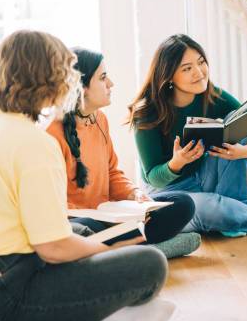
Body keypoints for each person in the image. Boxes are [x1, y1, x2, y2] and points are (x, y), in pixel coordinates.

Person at [0, 30, 175, 321]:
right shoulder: (35, 143)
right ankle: (93, 317)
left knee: (83, 233)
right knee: (150, 262)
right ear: (51, 78)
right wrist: (109, 248)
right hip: (4, 306)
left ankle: (102, 310)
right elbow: (53, 248)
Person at [127, 34, 247, 237]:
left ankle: (234, 216)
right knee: (205, 208)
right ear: (168, 76)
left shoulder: (214, 96)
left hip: (203, 178)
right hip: (166, 192)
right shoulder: (147, 113)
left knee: (236, 120)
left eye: (201, 62)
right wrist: (176, 163)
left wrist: (245, 151)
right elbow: (154, 178)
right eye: (187, 68)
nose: (199, 72)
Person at [46, 47, 200, 258]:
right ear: (81, 87)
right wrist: (103, 215)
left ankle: (123, 251)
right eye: (102, 78)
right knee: (87, 227)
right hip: (78, 223)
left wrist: (134, 194)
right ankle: (145, 250)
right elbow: (50, 205)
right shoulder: (51, 133)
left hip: (109, 213)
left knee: (183, 203)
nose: (110, 84)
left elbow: (112, 173)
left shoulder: (100, 119)